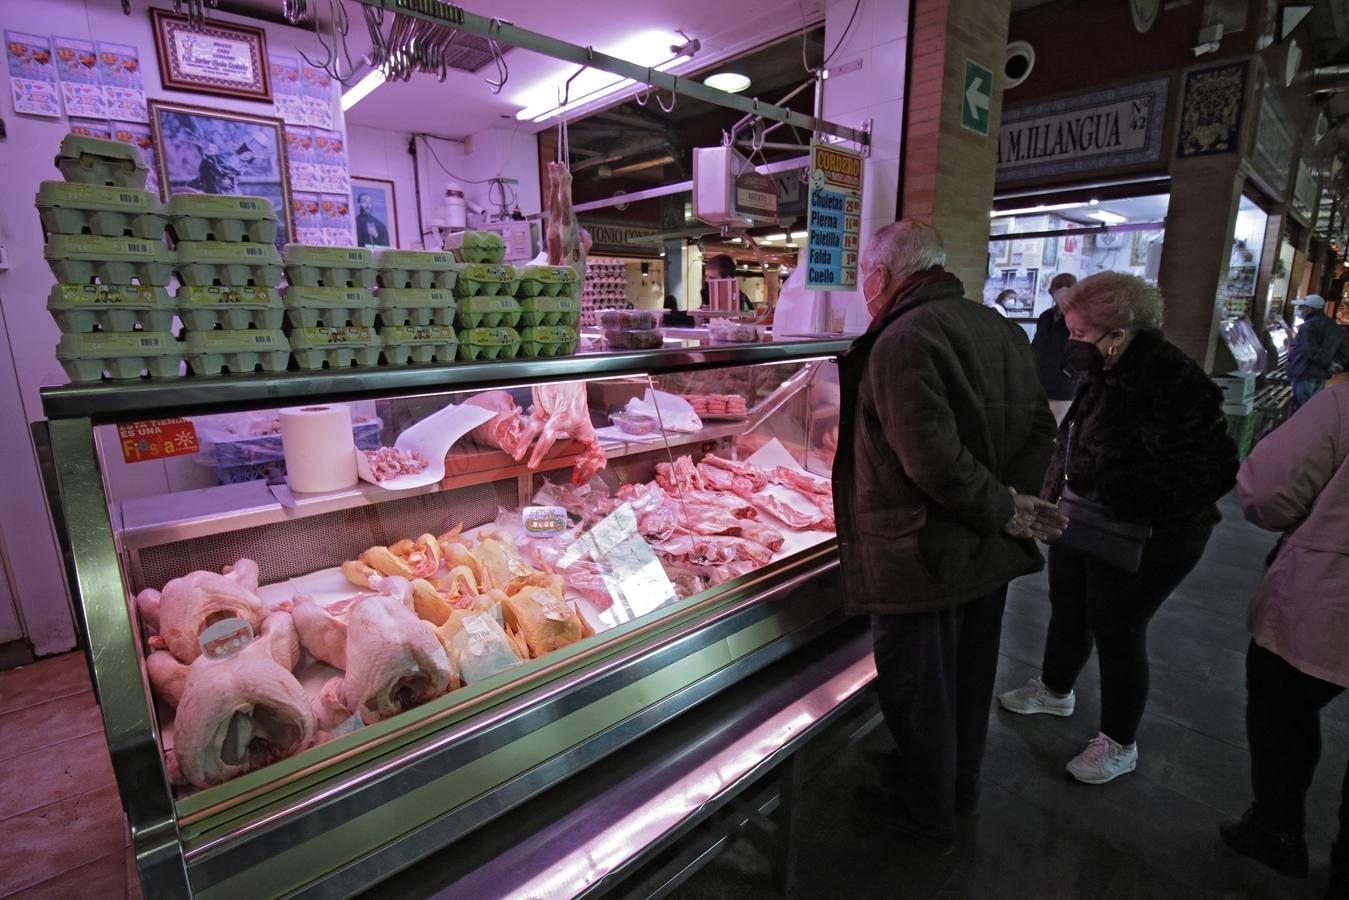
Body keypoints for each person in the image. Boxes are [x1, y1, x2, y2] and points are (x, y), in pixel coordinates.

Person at [834, 220, 1064, 848]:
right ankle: (958, 788)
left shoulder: (902, 338)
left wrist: (997, 507)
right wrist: (1008, 502)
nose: (864, 290)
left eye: (863, 278)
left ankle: (925, 809)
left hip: (920, 551)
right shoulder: (999, 326)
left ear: (880, 277)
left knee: (920, 689)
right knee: (966, 678)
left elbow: (931, 460)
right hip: (981, 549)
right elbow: (1042, 428)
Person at [999, 272, 1238, 784]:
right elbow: (1075, 439)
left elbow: (1212, 469)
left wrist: (1122, 495)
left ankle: (1118, 741)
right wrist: (1054, 491)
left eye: (1081, 334)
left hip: (1154, 533)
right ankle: (1056, 689)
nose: (1072, 344)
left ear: (1119, 332)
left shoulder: (1174, 379)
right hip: (1085, 517)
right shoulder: (1107, 370)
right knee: (1070, 603)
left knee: (1119, 625)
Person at [1220, 372, 1349, 898]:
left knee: (1281, 701)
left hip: (1331, 589)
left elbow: (1267, 488)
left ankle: (1276, 826)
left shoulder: (1343, 402)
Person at [1032, 273, 1080, 424]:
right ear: (1051, 291)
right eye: (1058, 285)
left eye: (1068, 285)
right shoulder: (1046, 316)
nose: (1063, 289)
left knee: (1055, 430)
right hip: (1039, 384)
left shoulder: (1080, 317)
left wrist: (1068, 372)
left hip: (1064, 387)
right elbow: (1038, 344)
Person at [1288, 295, 1345, 408]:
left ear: (1310, 309)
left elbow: (1310, 350)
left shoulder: (1308, 326)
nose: (1299, 310)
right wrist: (1334, 363)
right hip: (1321, 374)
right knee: (1313, 407)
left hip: (1304, 373)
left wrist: (1328, 364)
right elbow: (1339, 348)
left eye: (1301, 307)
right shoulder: (1333, 325)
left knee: (1302, 409)